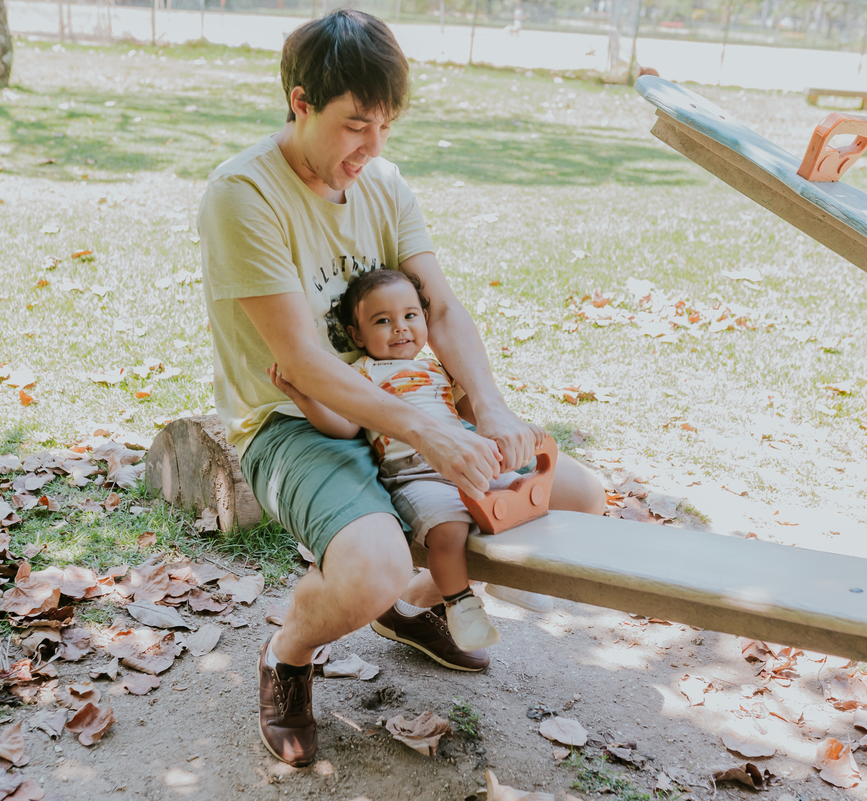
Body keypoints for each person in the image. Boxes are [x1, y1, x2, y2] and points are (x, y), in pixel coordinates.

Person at [197, 9, 605, 768]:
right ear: (300, 103)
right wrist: (431, 434)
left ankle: (410, 602)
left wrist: (486, 407)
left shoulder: (383, 183)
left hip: (409, 401)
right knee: (370, 563)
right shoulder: (242, 194)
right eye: (356, 125)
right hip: (298, 419)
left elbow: (441, 308)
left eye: (386, 125)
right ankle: (288, 651)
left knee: (578, 498)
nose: (373, 147)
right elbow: (308, 362)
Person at [267, 268, 528, 652]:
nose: (400, 328)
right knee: (449, 530)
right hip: (414, 474)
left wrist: (508, 425)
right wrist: (304, 397)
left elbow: (465, 410)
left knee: (516, 498)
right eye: (383, 321)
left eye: (410, 316)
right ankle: (460, 604)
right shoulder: (362, 373)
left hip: (465, 461)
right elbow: (345, 427)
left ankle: (512, 579)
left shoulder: (438, 367)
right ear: (357, 336)